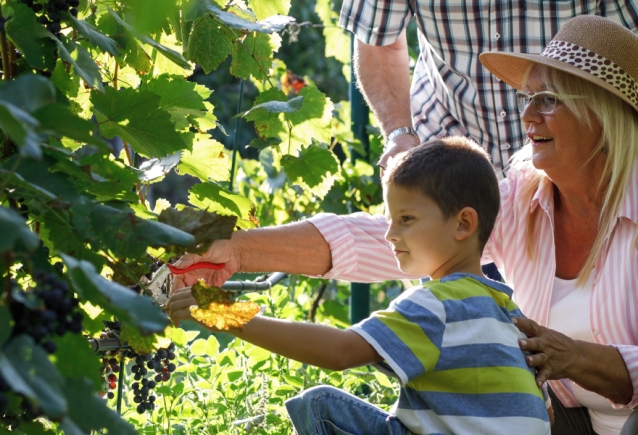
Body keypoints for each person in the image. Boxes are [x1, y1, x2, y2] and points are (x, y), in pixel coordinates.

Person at [171, 16, 638, 435]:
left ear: (601, 116)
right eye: (528, 95)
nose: (528, 113)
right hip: (587, 424)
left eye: (548, 98)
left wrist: (573, 358)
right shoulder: (524, 192)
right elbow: (388, 237)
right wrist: (239, 251)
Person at [167, 138, 551, 435]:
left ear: (463, 224)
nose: (389, 234)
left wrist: (226, 315)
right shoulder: (510, 311)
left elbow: (340, 352)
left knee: (320, 407)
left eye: (406, 219)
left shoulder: (439, 303)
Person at [342, 0, 638, 173]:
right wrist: (400, 134)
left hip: (575, 164)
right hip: (448, 152)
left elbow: (634, 39)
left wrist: (622, 147)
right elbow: (379, 43)